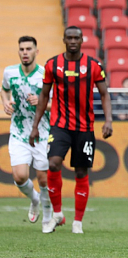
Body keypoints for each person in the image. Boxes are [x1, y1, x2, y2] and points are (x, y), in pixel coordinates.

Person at [29, 26, 113, 234]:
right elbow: (44, 95)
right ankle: (57, 214)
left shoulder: (94, 65)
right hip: (60, 126)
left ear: (82, 40)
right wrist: (35, 126)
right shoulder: (53, 64)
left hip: (85, 128)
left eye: (76, 38)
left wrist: (108, 120)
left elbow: (104, 94)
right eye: (69, 38)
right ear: (64, 40)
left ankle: (78, 222)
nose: (73, 41)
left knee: (81, 171)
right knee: (53, 163)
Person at [1, 36, 52, 230]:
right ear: (18, 52)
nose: (25, 52)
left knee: (43, 178)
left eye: (29, 49)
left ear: (36, 52)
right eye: (22, 49)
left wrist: (42, 103)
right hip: (19, 131)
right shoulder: (10, 72)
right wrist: (6, 102)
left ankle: (47, 216)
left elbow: (57, 104)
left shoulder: (45, 75)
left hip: (42, 132)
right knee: (20, 176)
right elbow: (4, 90)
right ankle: (35, 199)